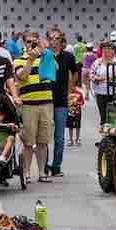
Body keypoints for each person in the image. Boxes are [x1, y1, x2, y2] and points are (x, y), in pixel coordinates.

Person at [12, 30, 56, 183]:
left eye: (34, 41)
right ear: (24, 43)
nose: (32, 44)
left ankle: (42, 173)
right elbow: (22, 76)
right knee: (28, 142)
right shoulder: (19, 60)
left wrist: (45, 52)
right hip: (28, 105)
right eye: (29, 42)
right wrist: (30, 59)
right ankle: (27, 173)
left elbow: (55, 70)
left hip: (46, 103)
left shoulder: (46, 57)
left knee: (43, 141)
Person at [46, 28, 81, 178]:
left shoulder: (68, 56)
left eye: (57, 38)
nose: (54, 41)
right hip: (44, 100)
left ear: (61, 40)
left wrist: (70, 89)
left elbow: (75, 72)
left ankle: (56, 166)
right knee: (43, 137)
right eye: (51, 38)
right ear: (48, 40)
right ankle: (43, 165)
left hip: (61, 101)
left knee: (59, 137)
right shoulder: (44, 55)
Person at [86, 39, 116, 128]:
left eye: (109, 48)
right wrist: (106, 78)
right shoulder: (97, 62)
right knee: (103, 116)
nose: (107, 50)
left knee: (113, 116)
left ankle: (112, 134)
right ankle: (104, 134)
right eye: (104, 48)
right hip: (100, 93)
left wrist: (105, 78)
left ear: (114, 50)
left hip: (115, 93)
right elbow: (91, 76)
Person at [67, 80, 85, 148]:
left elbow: (82, 103)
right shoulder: (68, 94)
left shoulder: (79, 93)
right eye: (70, 86)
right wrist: (69, 104)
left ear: (75, 86)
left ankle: (77, 140)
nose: (72, 88)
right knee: (70, 126)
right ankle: (70, 140)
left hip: (77, 112)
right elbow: (66, 102)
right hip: (70, 112)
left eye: (73, 86)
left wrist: (76, 103)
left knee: (78, 126)